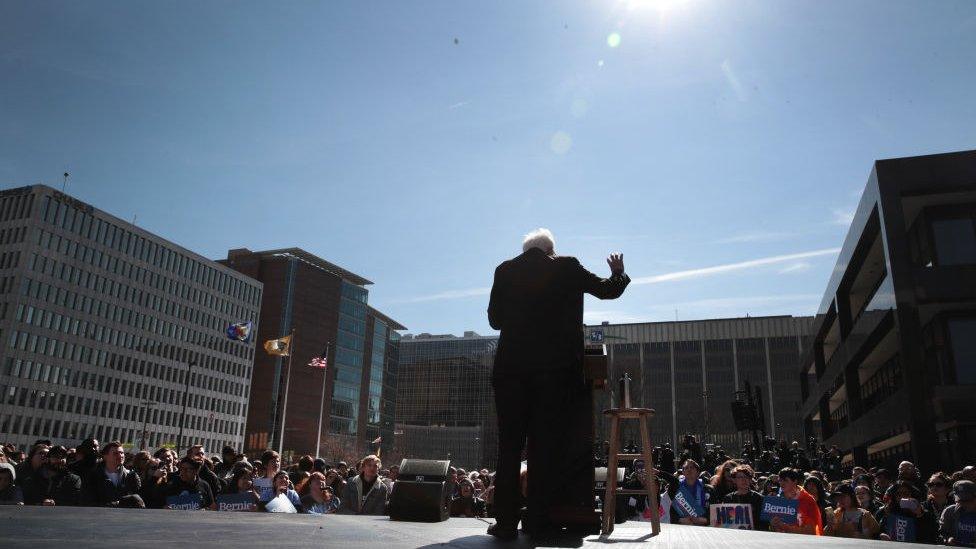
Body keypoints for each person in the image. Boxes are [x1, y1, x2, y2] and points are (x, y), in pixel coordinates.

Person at [487, 228, 629, 540]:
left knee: (509, 447)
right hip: (553, 375)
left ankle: (506, 523)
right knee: (543, 447)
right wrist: (618, 273)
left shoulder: (505, 270)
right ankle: (536, 521)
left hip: (511, 373)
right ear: (551, 249)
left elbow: (495, 320)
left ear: (526, 250)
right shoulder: (566, 266)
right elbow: (607, 290)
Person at [81, 441, 144, 508]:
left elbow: (139, 499)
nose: (120, 456)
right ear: (105, 456)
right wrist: (115, 504)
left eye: (122, 453)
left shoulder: (131, 476)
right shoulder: (93, 476)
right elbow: (87, 501)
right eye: (115, 453)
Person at [769, 468, 822, 536]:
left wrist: (785, 527)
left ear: (795, 481)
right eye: (780, 480)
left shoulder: (808, 500)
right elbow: (773, 530)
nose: (782, 483)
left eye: (786, 480)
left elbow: (811, 531)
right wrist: (773, 525)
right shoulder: (777, 500)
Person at [659, 459, 712, 525]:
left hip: (704, 529)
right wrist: (680, 520)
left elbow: (714, 513)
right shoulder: (677, 489)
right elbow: (672, 514)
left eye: (692, 467)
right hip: (682, 529)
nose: (689, 469)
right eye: (686, 468)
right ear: (683, 472)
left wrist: (704, 520)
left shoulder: (708, 489)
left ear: (698, 472)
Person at [722, 464, 766, 530]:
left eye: (747, 477)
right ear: (734, 480)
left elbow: (764, 524)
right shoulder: (728, 498)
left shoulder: (759, 498)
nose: (744, 480)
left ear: (751, 480)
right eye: (740, 477)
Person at [939, 480, 976, 547]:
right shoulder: (949, 511)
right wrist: (948, 539)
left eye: (966, 500)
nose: (962, 503)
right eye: (959, 500)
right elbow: (942, 533)